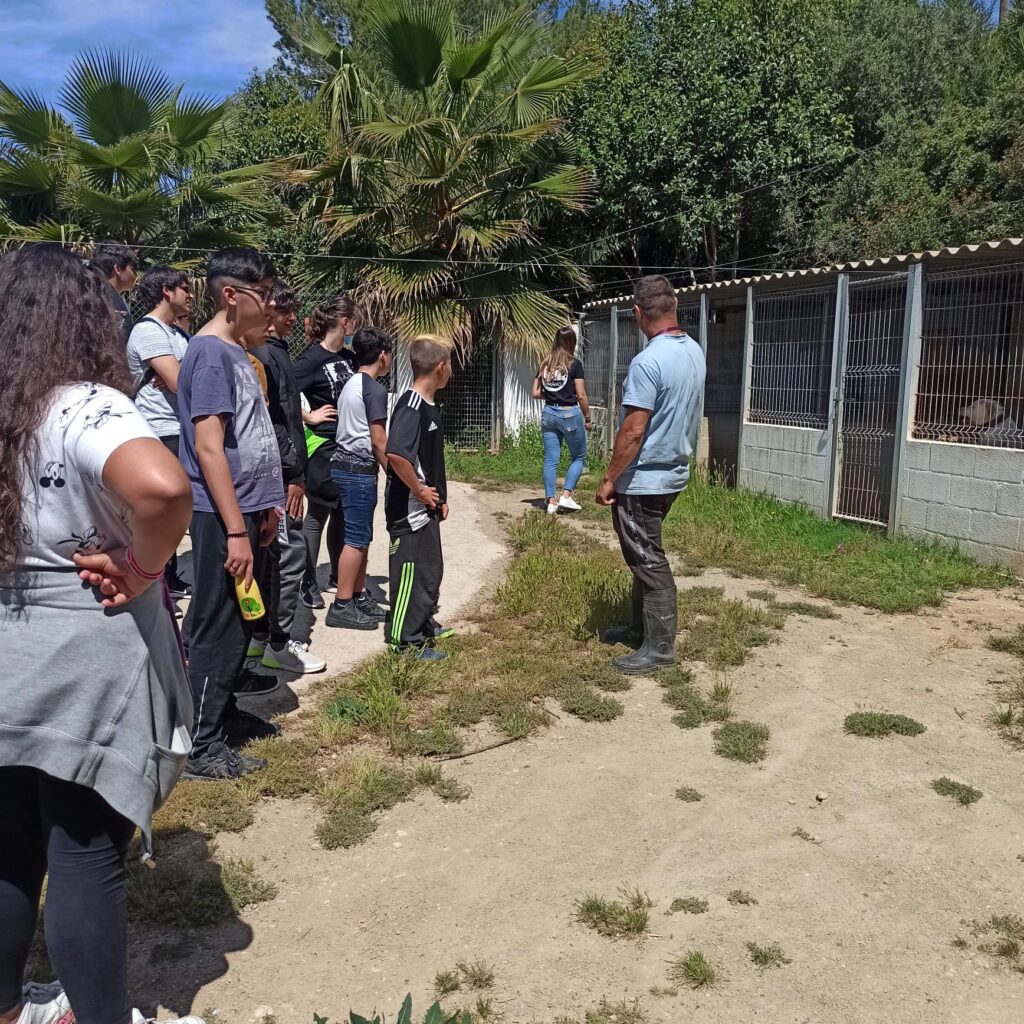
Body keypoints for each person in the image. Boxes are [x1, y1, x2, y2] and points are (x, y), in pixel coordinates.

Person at [0, 243, 196, 1024]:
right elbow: (162, 488)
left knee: (8, 842)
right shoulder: (83, 404)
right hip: (86, 641)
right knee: (83, 848)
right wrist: (144, 569)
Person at [176, 247, 285, 780]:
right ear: (230, 296)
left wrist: (265, 507)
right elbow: (209, 447)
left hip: (247, 512)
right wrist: (237, 529)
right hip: (225, 518)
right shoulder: (210, 354)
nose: (271, 305)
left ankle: (223, 713)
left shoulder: (237, 351)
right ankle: (201, 744)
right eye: (263, 295)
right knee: (218, 624)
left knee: (243, 618)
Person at [597, 275, 706, 675]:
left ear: (637, 313)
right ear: (675, 306)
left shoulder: (648, 361)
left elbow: (633, 430)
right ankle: (639, 628)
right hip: (673, 472)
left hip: (643, 480)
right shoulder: (693, 350)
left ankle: (659, 648)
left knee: (647, 558)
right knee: (643, 554)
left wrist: (610, 478)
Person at [246, 280, 327, 672]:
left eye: (294, 309)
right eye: (283, 310)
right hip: (279, 476)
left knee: (273, 556)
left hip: (283, 470)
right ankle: (280, 643)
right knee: (289, 554)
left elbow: (290, 415)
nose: (292, 317)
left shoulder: (275, 350)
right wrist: (293, 472)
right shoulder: (262, 354)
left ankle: (261, 637)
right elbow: (273, 421)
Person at [125, 265, 193, 598]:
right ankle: (157, 578)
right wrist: (179, 375)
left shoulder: (177, 333)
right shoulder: (148, 331)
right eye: (185, 288)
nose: (190, 295)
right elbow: (181, 381)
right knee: (165, 508)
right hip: (161, 429)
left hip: (181, 426)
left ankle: (169, 576)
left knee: (178, 509)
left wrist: (181, 375)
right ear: (167, 291)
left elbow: (187, 376)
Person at [384, 335, 453, 659]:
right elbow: (396, 455)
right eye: (450, 364)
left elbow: (429, 458)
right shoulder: (411, 406)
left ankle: (423, 624)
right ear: (440, 367)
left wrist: (441, 498)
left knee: (430, 571)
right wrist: (420, 491)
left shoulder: (428, 406)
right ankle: (405, 642)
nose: (451, 371)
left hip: (427, 510)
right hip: (408, 512)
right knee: (409, 574)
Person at [293, 293, 361, 609]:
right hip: (322, 446)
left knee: (343, 512)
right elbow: (279, 394)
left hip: (348, 446)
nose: (357, 326)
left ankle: (337, 576)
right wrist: (309, 416)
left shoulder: (349, 357)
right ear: (345, 322)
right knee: (318, 513)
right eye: (355, 321)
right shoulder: (310, 360)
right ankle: (306, 581)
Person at [326, 326, 393, 630]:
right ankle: (342, 604)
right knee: (355, 539)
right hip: (359, 471)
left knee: (361, 535)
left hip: (343, 466)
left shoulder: (351, 382)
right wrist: (394, 474)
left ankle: (358, 594)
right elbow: (379, 441)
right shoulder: (375, 390)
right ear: (383, 355)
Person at [532, 325, 592, 514]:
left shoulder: (545, 364)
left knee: (551, 460)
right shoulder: (575, 364)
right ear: (572, 342)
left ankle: (551, 502)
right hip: (569, 413)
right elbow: (581, 395)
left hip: (549, 412)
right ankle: (566, 496)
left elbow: (535, 393)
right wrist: (587, 417)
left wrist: (554, 395)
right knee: (579, 456)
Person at [90, 241, 138, 339]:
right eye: (132, 268)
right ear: (118, 269)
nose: (135, 275)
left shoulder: (93, 293)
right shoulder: (109, 301)